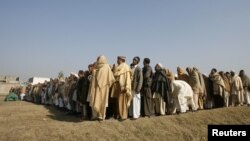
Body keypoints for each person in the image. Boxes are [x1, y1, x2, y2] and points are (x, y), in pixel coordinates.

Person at [89, 55, 115, 121]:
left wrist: (107, 84)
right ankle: (95, 116)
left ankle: (101, 116)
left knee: (103, 102)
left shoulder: (107, 67)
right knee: (95, 101)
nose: (98, 60)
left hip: (104, 88)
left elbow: (111, 78)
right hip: (96, 88)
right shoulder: (96, 67)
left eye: (99, 59)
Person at [111, 56, 132, 121]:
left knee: (123, 102)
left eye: (118, 59)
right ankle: (119, 114)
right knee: (118, 102)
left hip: (123, 87)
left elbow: (128, 78)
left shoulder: (125, 67)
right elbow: (114, 75)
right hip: (117, 86)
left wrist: (127, 86)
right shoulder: (117, 66)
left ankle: (124, 115)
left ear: (121, 60)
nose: (117, 60)